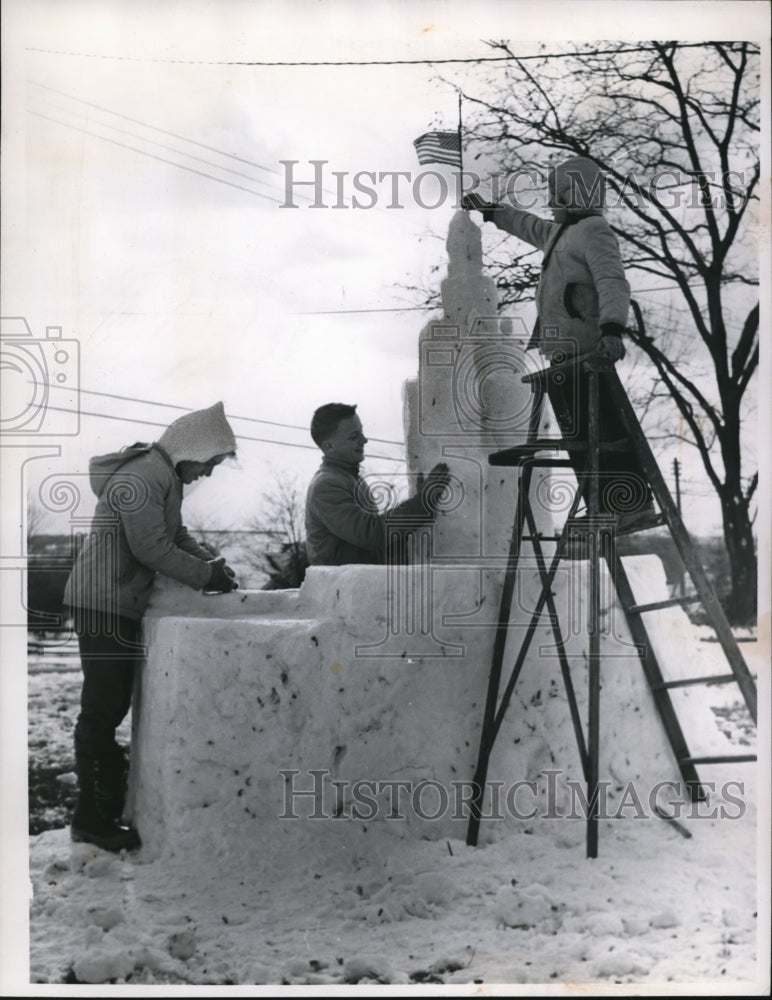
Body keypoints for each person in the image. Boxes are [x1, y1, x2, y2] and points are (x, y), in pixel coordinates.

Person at [63, 401, 240, 851]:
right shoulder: (145, 476)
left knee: (110, 706)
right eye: (210, 463)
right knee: (103, 709)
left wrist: (211, 564)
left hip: (116, 602)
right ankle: (90, 819)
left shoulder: (163, 476)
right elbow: (151, 549)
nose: (208, 474)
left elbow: (174, 537)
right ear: (193, 449)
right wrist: (206, 577)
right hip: (103, 603)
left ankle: (101, 810)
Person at [462, 156, 657, 535]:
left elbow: (613, 282)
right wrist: (490, 211)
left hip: (589, 352)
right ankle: (604, 503)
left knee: (606, 431)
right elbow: (527, 224)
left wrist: (612, 330)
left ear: (577, 194)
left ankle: (632, 503)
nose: (550, 201)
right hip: (563, 355)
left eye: (558, 194)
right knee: (579, 437)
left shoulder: (594, 230)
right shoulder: (559, 234)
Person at [305, 402, 450, 566]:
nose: (364, 440)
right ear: (329, 447)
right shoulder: (326, 485)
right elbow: (372, 534)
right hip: (341, 588)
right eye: (354, 436)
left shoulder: (349, 478)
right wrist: (422, 503)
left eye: (361, 432)